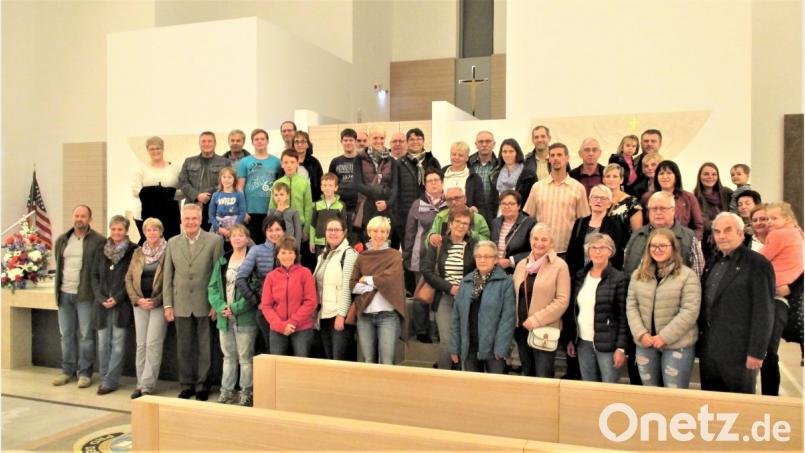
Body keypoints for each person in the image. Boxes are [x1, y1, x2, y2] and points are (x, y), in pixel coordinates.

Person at [699, 212, 774, 394]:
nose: (722, 236)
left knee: (740, 409)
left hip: (739, 353)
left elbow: (764, 312)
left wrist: (756, 352)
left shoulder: (758, 264)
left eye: (727, 230)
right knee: (711, 408)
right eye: (717, 231)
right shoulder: (712, 261)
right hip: (710, 350)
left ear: (741, 233)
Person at [163, 203, 224, 400]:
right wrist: (168, 304)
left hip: (205, 302)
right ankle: (186, 384)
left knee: (205, 347)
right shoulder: (172, 242)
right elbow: (167, 275)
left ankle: (202, 386)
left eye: (194, 218)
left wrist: (217, 303)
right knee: (184, 347)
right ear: (181, 220)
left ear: (200, 220)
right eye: (187, 218)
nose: (191, 222)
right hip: (180, 303)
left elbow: (218, 275)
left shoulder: (215, 241)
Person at [626, 229, 701, 389]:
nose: (657, 249)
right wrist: (641, 334)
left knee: (675, 395)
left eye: (662, 245)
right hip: (645, 344)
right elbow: (631, 306)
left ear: (673, 248)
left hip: (676, 345)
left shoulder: (687, 276)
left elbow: (690, 311)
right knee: (651, 394)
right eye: (653, 245)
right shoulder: (638, 275)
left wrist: (664, 337)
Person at [52, 205, 106, 388]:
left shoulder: (98, 240)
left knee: (86, 336)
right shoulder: (62, 240)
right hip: (64, 294)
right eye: (76, 215)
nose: (79, 219)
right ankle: (67, 371)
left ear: (90, 219)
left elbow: (100, 269)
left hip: (86, 296)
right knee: (65, 335)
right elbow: (59, 265)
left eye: (83, 216)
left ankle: (85, 373)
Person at [565, 233, 628, 383]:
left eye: (602, 248)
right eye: (593, 248)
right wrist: (570, 339)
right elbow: (573, 311)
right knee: (588, 386)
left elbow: (623, 317)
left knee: (609, 387)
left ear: (610, 252)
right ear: (588, 251)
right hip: (582, 342)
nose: (597, 252)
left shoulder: (619, 278)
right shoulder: (580, 276)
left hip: (608, 345)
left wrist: (621, 348)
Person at [422, 206, 478, 369]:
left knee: (464, 340)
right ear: (450, 224)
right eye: (458, 222)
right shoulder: (438, 243)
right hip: (445, 298)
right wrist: (449, 288)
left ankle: (461, 378)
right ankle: (443, 377)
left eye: (465, 223)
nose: (461, 226)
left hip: (468, 299)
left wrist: (467, 288)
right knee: (447, 341)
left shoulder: (475, 245)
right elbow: (426, 271)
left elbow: (481, 271)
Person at [512, 223, 571, 378]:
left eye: (544, 239)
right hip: (522, 328)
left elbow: (562, 301)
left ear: (551, 243)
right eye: (535, 238)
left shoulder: (560, 266)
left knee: (543, 374)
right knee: (528, 372)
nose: (539, 243)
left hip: (545, 329)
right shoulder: (521, 265)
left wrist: (536, 320)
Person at [758, 202, 804, 395]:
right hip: (776, 291)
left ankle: (771, 396)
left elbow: (760, 259)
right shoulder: (796, 233)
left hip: (778, 292)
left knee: (768, 351)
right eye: (766, 218)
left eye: (773, 218)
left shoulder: (778, 235)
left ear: (787, 218)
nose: (769, 222)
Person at [449, 241, 516, 373]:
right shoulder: (466, 282)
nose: (482, 260)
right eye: (479, 256)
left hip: (494, 350)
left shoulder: (505, 282)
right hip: (470, 346)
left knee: (496, 389)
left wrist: (501, 348)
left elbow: (508, 318)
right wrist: (454, 347)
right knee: (472, 389)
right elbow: (456, 317)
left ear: (496, 259)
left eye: (487, 256)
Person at [208, 224, 257, 406]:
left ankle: (246, 392)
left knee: (245, 357)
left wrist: (235, 308)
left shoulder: (252, 260)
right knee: (228, 357)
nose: (237, 238)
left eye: (241, 235)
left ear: (247, 238)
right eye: (234, 235)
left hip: (244, 316)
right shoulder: (223, 260)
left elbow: (253, 290)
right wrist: (220, 306)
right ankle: (226, 391)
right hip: (224, 317)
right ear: (229, 238)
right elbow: (212, 287)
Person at [350, 216, 407, 364]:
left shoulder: (394, 255)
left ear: (388, 234)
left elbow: (391, 280)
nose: (379, 235)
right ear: (369, 232)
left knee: (386, 361)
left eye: (383, 231)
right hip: (365, 316)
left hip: (388, 316)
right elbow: (353, 285)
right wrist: (376, 284)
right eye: (375, 231)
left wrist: (367, 279)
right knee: (368, 360)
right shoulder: (362, 257)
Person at [92, 215, 137, 395]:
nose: (116, 233)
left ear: (126, 231)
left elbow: (133, 278)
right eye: (113, 229)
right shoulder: (100, 249)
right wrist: (100, 297)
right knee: (103, 343)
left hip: (122, 305)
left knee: (118, 344)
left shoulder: (134, 250)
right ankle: (104, 377)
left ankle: (111, 381)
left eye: (120, 229)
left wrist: (117, 298)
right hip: (102, 304)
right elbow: (93, 276)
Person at [125, 217, 169, 399]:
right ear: (144, 233)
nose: (152, 233)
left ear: (161, 232)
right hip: (140, 304)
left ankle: (147, 385)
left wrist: (157, 300)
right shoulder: (138, 253)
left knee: (153, 344)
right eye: (148, 230)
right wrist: (137, 299)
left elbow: (169, 280)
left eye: (155, 230)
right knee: (141, 345)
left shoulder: (168, 251)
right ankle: (139, 383)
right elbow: (128, 278)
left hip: (158, 304)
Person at [523, 143, 591, 255]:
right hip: (540, 251)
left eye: (559, 155)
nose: (556, 158)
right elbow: (529, 219)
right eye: (552, 155)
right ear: (549, 159)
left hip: (566, 250)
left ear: (567, 158)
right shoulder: (537, 187)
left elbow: (583, 221)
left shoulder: (578, 188)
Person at [404, 168, 447, 343]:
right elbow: (410, 232)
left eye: (436, 180)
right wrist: (406, 256)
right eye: (429, 181)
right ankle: (421, 331)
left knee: (439, 297)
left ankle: (438, 331)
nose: (433, 183)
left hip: (443, 258)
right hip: (420, 258)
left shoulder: (450, 203)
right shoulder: (417, 204)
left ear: (442, 182)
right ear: (425, 185)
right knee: (421, 296)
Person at [624, 191, 705, 279]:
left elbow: (697, 275)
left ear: (673, 210)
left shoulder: (689, 237)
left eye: (663, 208)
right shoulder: (637, 235)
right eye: (654, 209)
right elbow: (626, 268)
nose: (658, 212)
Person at [261, 236, 317, 357]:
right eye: (283, 253)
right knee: (277, 366)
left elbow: (311, 302)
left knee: (301, 365)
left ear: (296, 255)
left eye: (290, 252)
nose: (287, 256)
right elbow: (266, 306)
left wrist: (292, 322)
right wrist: (281, 326)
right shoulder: (271, 277)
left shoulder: (305, 273)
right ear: (277, 255)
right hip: (277, 328)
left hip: (302, 327)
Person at [313, 217, 358, 360]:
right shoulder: (323, 255)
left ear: (344, 232)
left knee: (339, 360)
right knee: (329, 359)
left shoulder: (349, 254)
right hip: (324, 315)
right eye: (329, 230)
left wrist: (342, 314)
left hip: (339, 316)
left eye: (336, 230)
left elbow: (347, 286)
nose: (333, 233)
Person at [236, 215, 281, 353]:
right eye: (270, 230)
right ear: (265, 232)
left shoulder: (291, 249)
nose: (274, 233)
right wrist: (255, 301)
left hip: (286, 312)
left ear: (284, 231)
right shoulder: (256, 250)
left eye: (278, 229)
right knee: (270, 351)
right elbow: (241, 278)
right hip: (265, 311)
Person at [397, 128, 441, 257]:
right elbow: (396, 189)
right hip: (406, 212)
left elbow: (438, 186)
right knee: (409, 248)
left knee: (428, 248)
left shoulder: (432, 161)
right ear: (407, 142)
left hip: (430, 211)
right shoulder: (399, 162)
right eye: (411, 139)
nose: (415, 142)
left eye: (419, 139)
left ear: (423, 141)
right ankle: (410, 277)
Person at [565, 185, 628, 275]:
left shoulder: (615, 225)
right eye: (595, 197)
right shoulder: (580, 222)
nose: (598, 201)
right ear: (589, 201)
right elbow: (571, 252)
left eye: (603, 198)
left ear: (609, 204)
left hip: (604, 276)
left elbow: (616, 256)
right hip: (579, 275)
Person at [354, 126, 399, 245]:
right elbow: (357, 184)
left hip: (386, 207)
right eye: (375, 138)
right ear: (369, 139)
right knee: (369, 241)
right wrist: (377, 193)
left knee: (386, 241)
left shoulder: (392, 161)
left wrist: (387, 203)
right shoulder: (359, 159)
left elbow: (395, 187)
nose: (378, 141)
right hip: (367, 207)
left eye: (381, 138)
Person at [131, 136, 181, 243]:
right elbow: (135, 191)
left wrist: (156, 193)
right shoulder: (141, 169)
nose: (155, 151)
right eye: (152, 149)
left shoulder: (175, 168)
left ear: (163, 149)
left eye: (158, 148)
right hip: (145, 215)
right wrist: (164, 193)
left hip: (170, 215)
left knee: (171, 244)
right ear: (147, 150)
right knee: (149, 244)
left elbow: (183, 191)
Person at [178, 131, 230, 232]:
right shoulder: (189, 161)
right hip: (192, 205)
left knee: (214, 237)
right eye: (203, 141)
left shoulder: (224, 162)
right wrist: (197, 196)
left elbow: (225, 183)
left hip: (216, 206)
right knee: (191, 235)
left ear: (215, 143)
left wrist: (206, 195)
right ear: (199, 144)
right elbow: (182, 182)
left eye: (209, 141)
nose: (206, 144)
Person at [237, 128, 280, 244]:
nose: (260, 141)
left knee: (272, 244)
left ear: (267, 141)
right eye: (256, 139)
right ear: (252, 142)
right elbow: (240, 188)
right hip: (251, 211)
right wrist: (243, 210)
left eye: (262, 139)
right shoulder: (244, 162)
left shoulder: (277, 162)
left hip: (271, 210)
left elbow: (281, 188)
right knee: (254, 245)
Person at [642, 160, 705, 240]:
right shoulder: (647, 197)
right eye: (661, 173)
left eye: (669, 173)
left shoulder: (689, 198)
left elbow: (698, 226)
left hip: (683, 243)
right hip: (654, 243)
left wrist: (690, 242)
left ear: (676, 176)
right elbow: (643, 225)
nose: (665, 177)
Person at [269, 150, 312, 246]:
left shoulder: (304, 183)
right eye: (286, 162)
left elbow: (308, 207)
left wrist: (306, 229)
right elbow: (272, 206)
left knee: (296, 250)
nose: (289, 165)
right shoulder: (276, 183)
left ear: (297, 163)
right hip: (280, 224)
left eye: (292, 162)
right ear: (282, 164)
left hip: (299, 225)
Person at [489, 190, 536, 274]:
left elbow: (535, 251)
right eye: (504, 204)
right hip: (494, 269)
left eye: (511, 204)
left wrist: (511, 261)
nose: (507, 207)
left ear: (519, 206)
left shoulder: (530, 224)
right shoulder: (495, 223)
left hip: (517, 271)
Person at [328, 128, 362, 242]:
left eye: (351, 140)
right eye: (345, 140)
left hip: (357, 207)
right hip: (339, 206)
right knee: (339, 238)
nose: (348, 143)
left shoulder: (362, 161)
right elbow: (330, 183)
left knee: (356, 240)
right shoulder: (335, 162)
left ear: (355, 141)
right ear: (341, 142)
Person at [694, 162, 733, 259]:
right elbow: (701, 222)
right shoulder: (694, 197)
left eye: (714, 174)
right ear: (700, 176)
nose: (710, 177)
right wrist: (723, 225)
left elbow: (735, 214)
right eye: (706, 174)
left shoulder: (727, 193)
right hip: (707, 245)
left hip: (730, 241)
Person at [490, 138, 536, 215]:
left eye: (511, 151)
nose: (507, 155)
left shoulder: (528, 175)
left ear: (517, 153)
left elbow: (531, 202)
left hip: (521, 218)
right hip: (499, 216)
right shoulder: (495, 174)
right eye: (504, 152)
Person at [442, 141, 484, 219]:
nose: (456, 157)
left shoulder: (474, 178)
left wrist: (475, 210)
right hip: (442, 218)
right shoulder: (440, 174)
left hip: (465, 221)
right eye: (453, 154)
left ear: (467, 158)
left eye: (460, 155)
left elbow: (481, 206)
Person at [310, 173, 347, 255]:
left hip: (335, 242)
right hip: (319, 243)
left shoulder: (341, 205)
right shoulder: (317, 204)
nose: (327, 188)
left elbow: (344, 226)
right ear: (321, 188)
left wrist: (343, 241)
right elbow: (313, 224)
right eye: (325, 185)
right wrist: (312, 241)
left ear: (336, 188)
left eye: (330, 185)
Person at [602, 163, 643, 234]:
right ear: (603, 180)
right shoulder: (598, 200)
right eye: (608, 176)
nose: (611, 179)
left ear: (621, 180)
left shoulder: (632, 202)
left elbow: (637, 234)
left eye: (615, 176)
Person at [468, 131, 499, 224]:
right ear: (476, 144)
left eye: (488, 141)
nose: (484, 144)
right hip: (472, 212)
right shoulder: (467, 164)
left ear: (494, 144)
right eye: (481, 142)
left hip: (493, 213)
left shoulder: (500, 165)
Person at [208, 167, 246, 241]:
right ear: (220, 179)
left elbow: (242, 213)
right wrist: (218, 228)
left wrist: (234, 228)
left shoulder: (239, 194)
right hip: (219, 226)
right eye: (224, 177)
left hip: (235, 226)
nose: (226, 180)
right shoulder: (216, 195)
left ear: (234, 179)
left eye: (229, 177)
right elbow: (211, 214)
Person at [288, 130, 324, 202]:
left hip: (312, 201)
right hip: (291, 202)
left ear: (308, 145)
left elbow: (321, 184)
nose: (300, 144)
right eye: (297, 142)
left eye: (303, 141)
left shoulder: (314, 163)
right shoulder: (287, 161)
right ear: (293, 145)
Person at [266, 181, 302, 247]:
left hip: (290, 245)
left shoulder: (294, 212)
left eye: (281, 194)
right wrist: (278, 210)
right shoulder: (271, 212)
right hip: (275, 246)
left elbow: (298, 233)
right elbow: (269, 231)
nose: (278, 197)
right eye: (276, 195)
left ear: (287, 196)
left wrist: (297, 250)